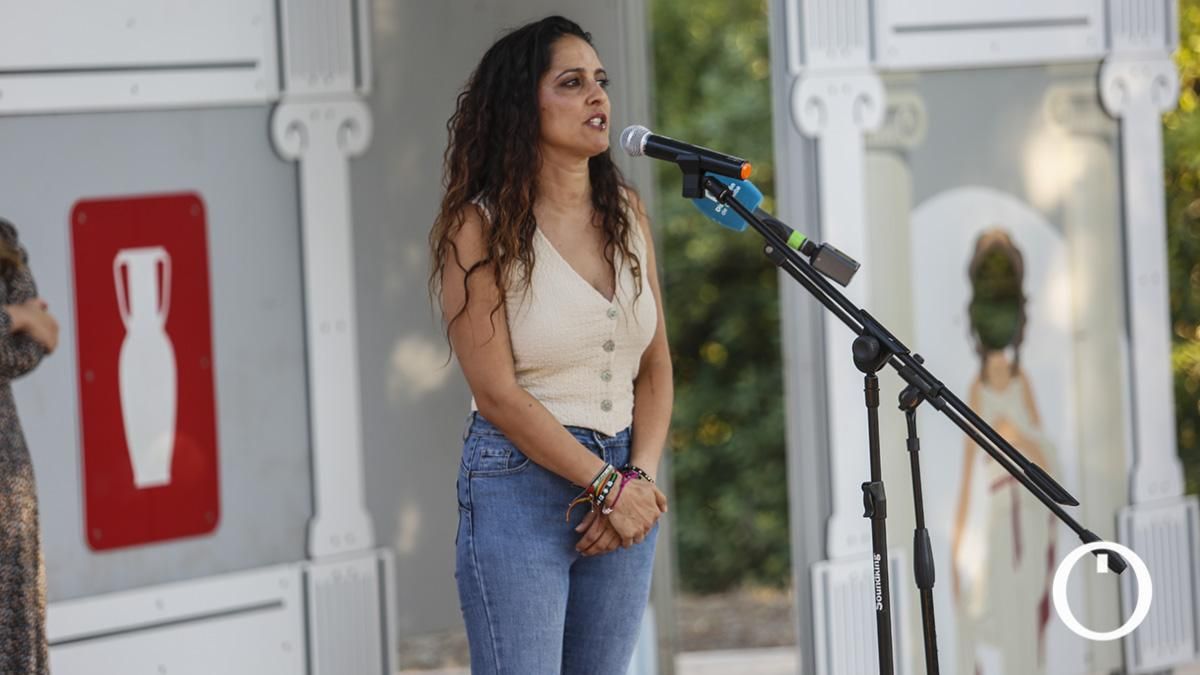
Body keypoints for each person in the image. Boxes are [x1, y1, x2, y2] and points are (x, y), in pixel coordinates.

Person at [428, 16, 672, 675]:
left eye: (601, 81)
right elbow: (496, 392)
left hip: (625, 478)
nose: (598, 96)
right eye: (572, 83)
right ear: (520, 106)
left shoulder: (627, 211)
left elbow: (654, 365)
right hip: (519, 482)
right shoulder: (475, 227)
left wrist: (636, 478)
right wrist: (604, 484)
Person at [951, 228, 1057, 675]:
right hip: (997, 512)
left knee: (1027, 614)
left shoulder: (1021, 381)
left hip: (1030, 510)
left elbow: (1047, 454)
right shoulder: (976, 388)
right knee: (993, 610)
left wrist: (1019, 436)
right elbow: (967, 470)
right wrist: (956, 542)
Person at [0, 218, 59, 674]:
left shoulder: (3, 238)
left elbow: (38, 344)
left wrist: (23, 328)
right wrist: (18, 317)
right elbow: (28, 330)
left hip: (7, 487)